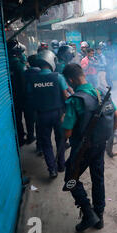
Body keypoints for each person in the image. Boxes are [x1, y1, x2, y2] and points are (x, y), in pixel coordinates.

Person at [61, 63, 117, 232]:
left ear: (71, 80)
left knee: (70, 180)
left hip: (82, 149)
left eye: (68, 82)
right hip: (99, 145)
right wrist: (105, 137)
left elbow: (67, 133)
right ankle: (99, 217)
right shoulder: (102, 92)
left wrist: (63, 120)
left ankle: (88, 213)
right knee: (98, 178)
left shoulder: (75, 101)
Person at [30, 50, 69, 178]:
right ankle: (61, 165)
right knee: (60, 139)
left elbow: (30, 96)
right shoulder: (57, 76)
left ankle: (52, 169)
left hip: (41, 116)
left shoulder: (33, 79)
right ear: (51, 61)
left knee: (46, 143)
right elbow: (66, 95)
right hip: (58, 114)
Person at [7, 39, 27, 147]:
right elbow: (24, 82)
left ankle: (19, 136)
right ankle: (22, 137)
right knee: (22, 117)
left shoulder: (5, 62)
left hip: (11, 95)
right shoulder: (19, 65)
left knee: (16, 117)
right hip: (20, 95)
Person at [23, 55, 41, 152]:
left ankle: (30, 136)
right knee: (39, 124)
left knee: (29, 121)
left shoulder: (25, 72)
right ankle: (39, 146)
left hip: (27, 101)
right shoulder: (41, 72)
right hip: (38, 101)